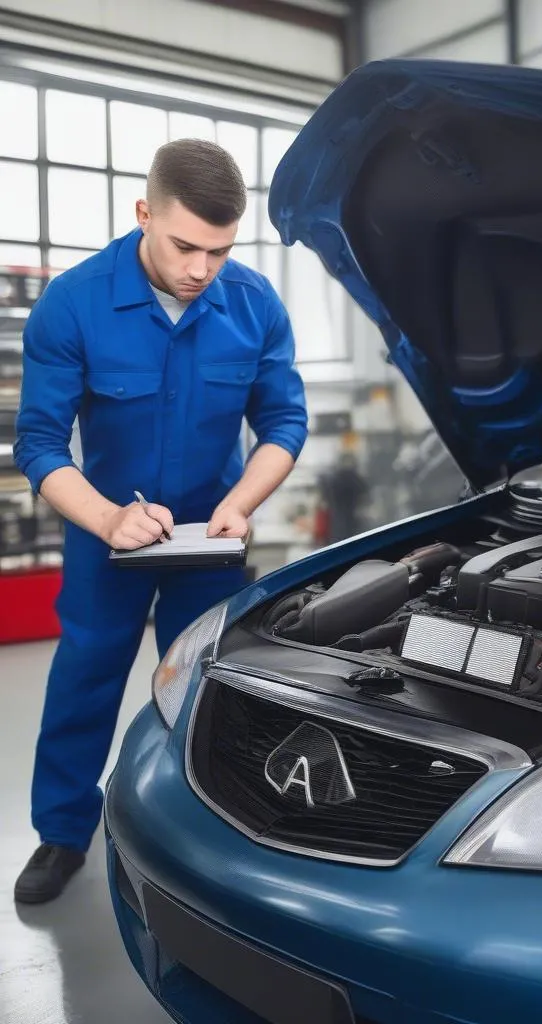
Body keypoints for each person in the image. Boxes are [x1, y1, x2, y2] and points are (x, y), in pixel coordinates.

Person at [12, 139, 308, 904]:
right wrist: (109, 519)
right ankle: (60, 833)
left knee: (209, 687)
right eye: (184, 245)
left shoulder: (254, 306)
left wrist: (240, 505)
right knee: (86, 676)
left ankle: (200, 834)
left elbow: (283, 424)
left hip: (210, 539)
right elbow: (39, 444)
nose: (202, 269)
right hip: (106, 534)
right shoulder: (73, 303)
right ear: (144, 213)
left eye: (220, 249)